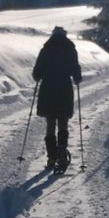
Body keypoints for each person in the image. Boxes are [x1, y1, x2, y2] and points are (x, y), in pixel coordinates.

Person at [32, 25, 82, 171]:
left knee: (50, 122)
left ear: (53, 36)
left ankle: (51, 157)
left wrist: (40, 75)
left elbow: (37, 73)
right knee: (63, 121)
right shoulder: (70, 50)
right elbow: (76, 71)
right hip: (64, 89)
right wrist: (77, 78)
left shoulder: (46, 49)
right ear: (64, 35)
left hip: (48, 89)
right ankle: (61, 153)